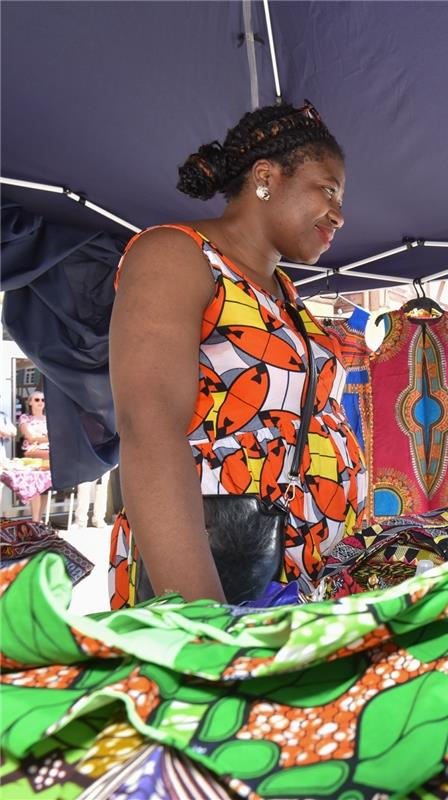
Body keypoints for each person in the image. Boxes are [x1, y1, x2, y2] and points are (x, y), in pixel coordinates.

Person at [108, 101, 367, 609]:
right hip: (213, 576)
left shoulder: (283, 289)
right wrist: (205, 619)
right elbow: (149, 428)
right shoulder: (176, 255)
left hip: (300, 572)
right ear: (266, 176)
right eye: (328, 189)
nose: (339, 212)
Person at [16, 392, 50, 522]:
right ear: (30, 402)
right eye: (36, 399)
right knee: (36, 486)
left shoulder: (49, 418)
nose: (40, 402)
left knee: (46, 488)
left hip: (48, 454)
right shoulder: (25, 418)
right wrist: (46, 437)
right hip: (33, 455)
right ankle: (35, 520)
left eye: (43, 399)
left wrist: (38, 438)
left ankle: (39, 521)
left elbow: (56, 437)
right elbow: (29, 437)